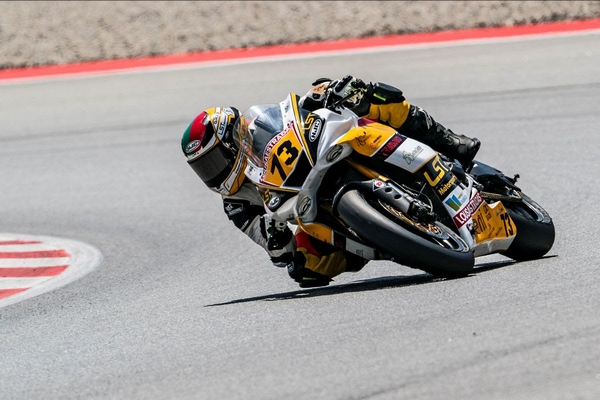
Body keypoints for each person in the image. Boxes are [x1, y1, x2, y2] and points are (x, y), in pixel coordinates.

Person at [180, 75, 480, 288]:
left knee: (368, 98)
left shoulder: (259, 126)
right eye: (203, 168)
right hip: (315, 210)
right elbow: (276, 250)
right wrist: (275, 239)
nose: (212, 173)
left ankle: (447, 141)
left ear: (232, 142)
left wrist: (326, 91)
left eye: (213, 161)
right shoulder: (236, 204)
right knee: (303, 269)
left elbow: (296, 111)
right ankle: (384, 239)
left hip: (322, 155)